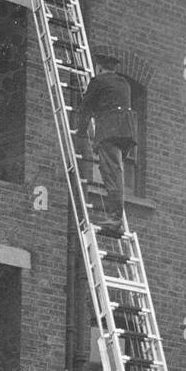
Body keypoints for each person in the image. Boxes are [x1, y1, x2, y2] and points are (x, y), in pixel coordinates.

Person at [72, 55, 139, 238]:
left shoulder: (98, 81)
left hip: (110, 131)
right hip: (125, 133)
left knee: (112, 173)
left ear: (99, 67)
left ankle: (115, 220)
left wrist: (81, 132)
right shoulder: (123, 83)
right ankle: (116, 217)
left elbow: (86, 108)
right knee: (114, 171)